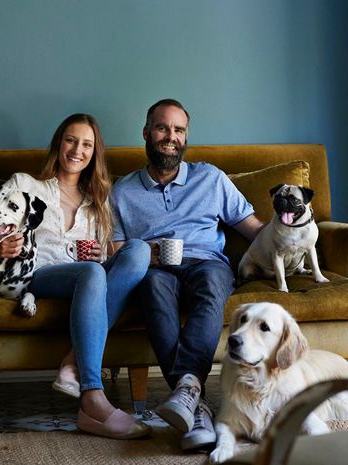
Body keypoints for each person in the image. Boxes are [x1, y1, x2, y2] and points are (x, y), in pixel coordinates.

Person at [0, 113, 152, 440]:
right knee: (91, 273)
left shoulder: (98, 201)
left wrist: (101, 256)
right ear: (59, 144)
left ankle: (72, 364)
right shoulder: (24, 185)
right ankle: (92, 397)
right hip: (37, 276)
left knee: (138, 251)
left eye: (87, 144)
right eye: (71, 140)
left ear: (94, 152)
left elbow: (109, 257)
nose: (77, 150)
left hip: (86, 277)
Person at [109, 99, 264, 450]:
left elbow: (255, 230)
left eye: (179, 130)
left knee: (212, 284)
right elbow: (116, 252)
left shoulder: (211, 178)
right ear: (147, 134)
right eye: (163, 128)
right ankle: (197, 406)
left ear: (186, 137)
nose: (171, 137)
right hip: (155, 267)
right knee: (151, 288)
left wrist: (292, 237)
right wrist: (149, 254)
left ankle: (188, 393)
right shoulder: (122, 191)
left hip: (206, 262)